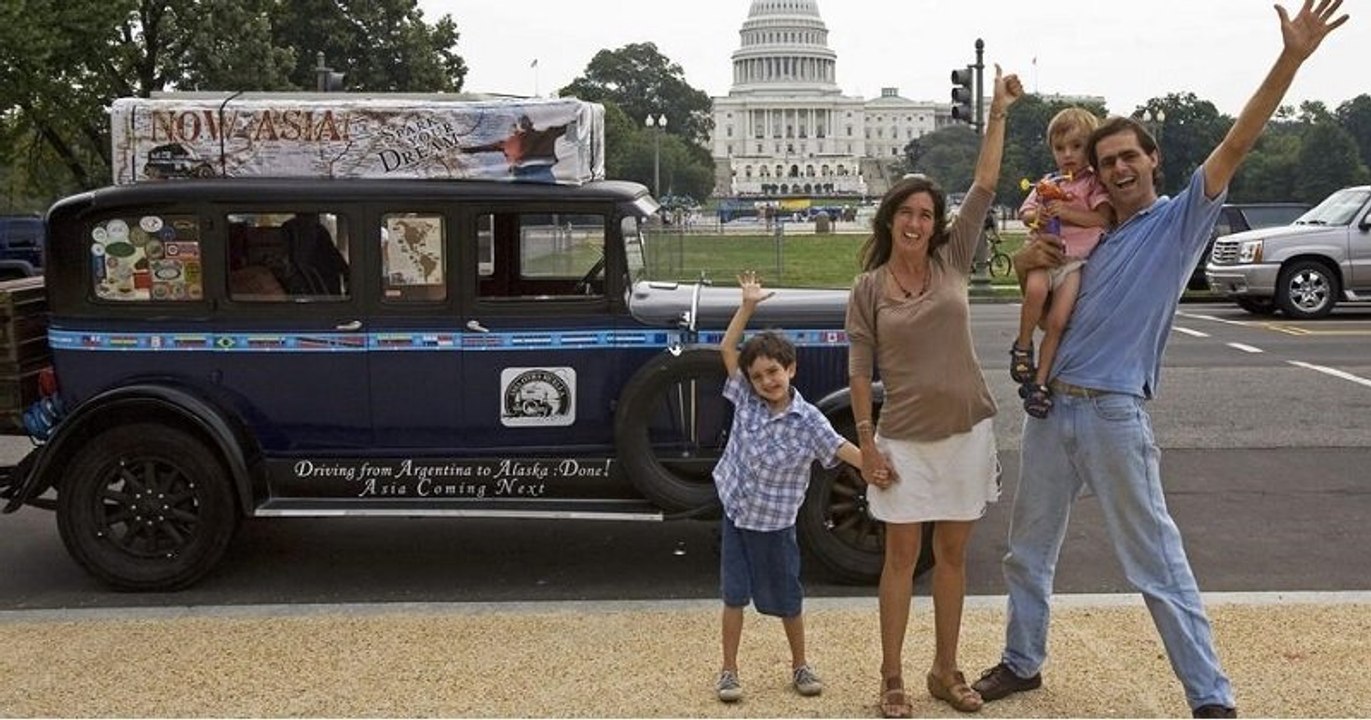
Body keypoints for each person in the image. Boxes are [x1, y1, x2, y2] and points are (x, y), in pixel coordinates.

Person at [973, 3, 1348, 718]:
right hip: (1053, 410)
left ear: (1152, 163)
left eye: (1127, 158)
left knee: (1154, 564)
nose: (1115, 169)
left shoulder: (1178, 222)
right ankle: (1022, 661)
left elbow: (1237, 140)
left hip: (1114, 412)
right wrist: (1029, 255)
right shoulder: (1092, 233)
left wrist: (1291, 60)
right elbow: (1034, 269)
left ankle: (1209, 697)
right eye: (1105, 160)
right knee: (1026, 552)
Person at [844, 65, 1023, 717]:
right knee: (899, 557)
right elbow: (859, 373)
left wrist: (996, 111)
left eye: (926, 214)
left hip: (966, 428)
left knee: (951, 557)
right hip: (903, 438)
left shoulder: (951, 260)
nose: (917, 223)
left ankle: (943, 671)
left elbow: (984, 184)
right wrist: (864, 444)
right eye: (907, 213)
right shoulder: (867, 290)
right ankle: (890, 676)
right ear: (890, 219)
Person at [711, 270, 864, 704]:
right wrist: (747, 306)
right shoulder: (745, 398)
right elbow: (727, 349)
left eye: (773, 372)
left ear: (790, 369)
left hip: (776, 525)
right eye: (758, 376)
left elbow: (840, 447)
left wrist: (876, 466)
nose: (767, 382)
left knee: (788, 597)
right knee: (733, 595)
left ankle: (800, 663)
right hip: (738, 514)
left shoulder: (809, 420)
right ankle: (728, 670)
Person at [1011, 107, 1113, 418]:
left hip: (1073, 262)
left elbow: (1102, 218)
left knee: (1057, 322)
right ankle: (1023, 347)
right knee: (1036, 292)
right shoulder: (1047, 183)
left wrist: (1066, 212)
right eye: (1059, 148)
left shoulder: (1093, 184)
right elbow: (1025, 212)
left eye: (1076, 147)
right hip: (1046, 253)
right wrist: (1037, 216)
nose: (1067, 155)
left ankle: (1040, 384)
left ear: (1090, 148)